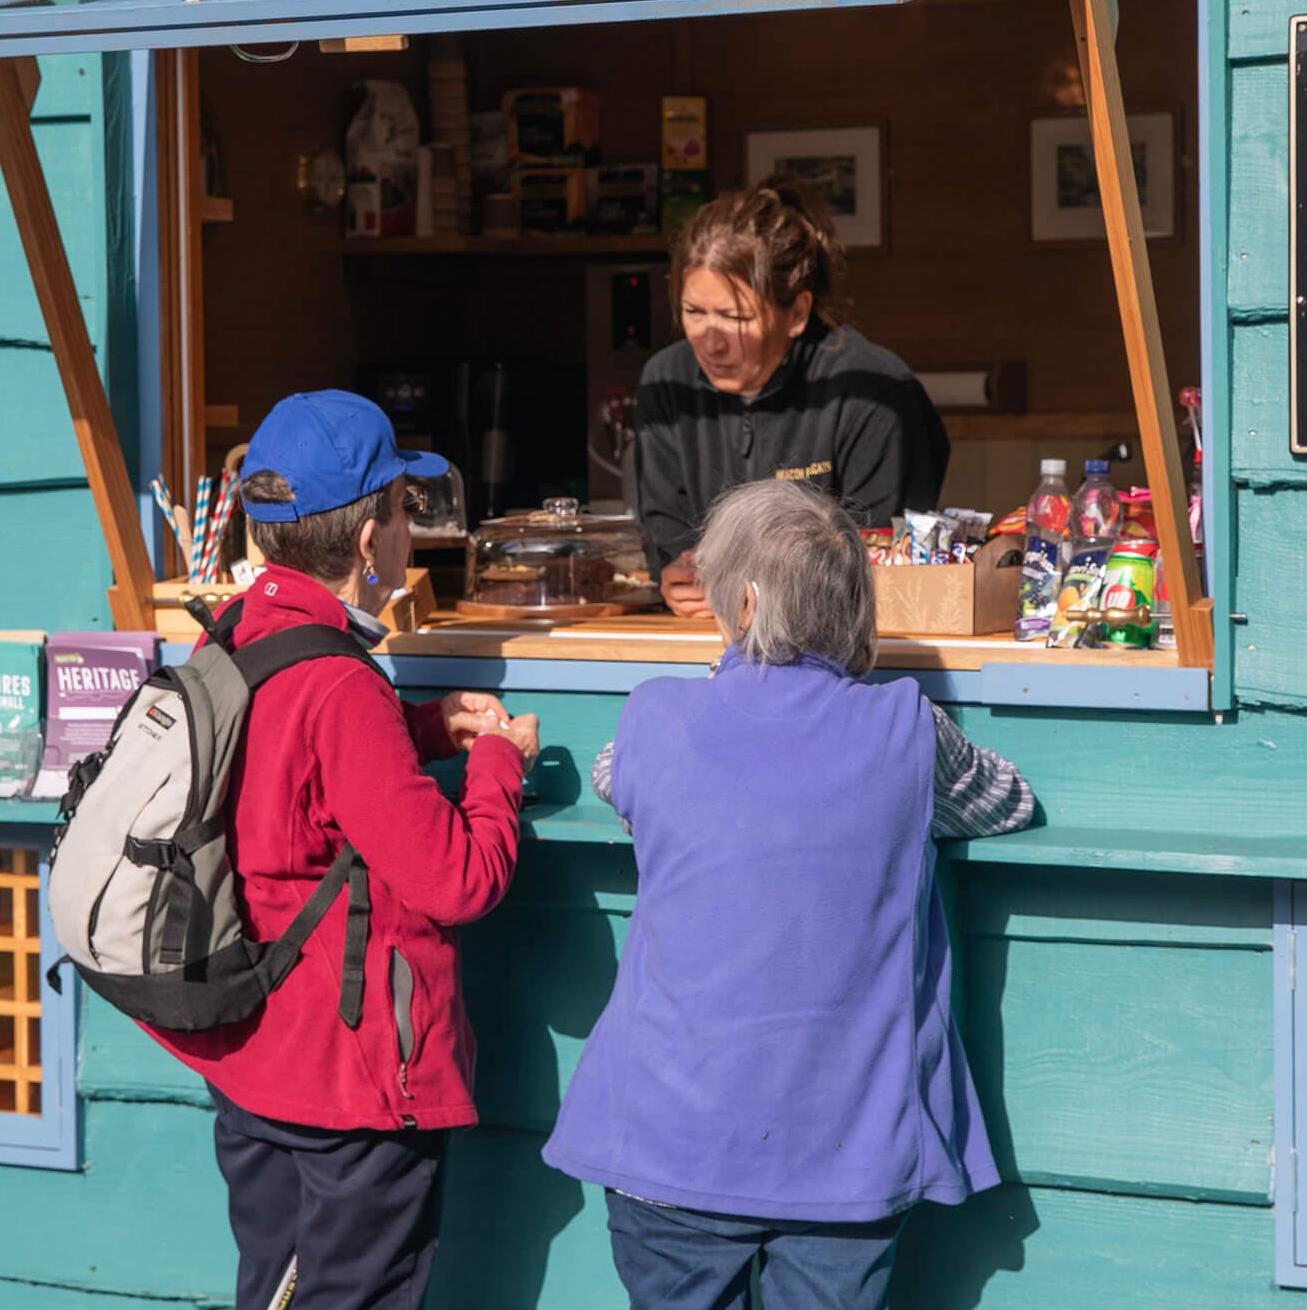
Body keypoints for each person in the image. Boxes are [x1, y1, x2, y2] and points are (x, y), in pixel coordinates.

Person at [543, 480, 1037, 1310]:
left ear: (741, 601)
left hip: (667, 1145)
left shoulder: (659, 719)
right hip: (847, 1155)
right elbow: (1008, 798)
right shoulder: (908, 729)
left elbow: (613, 777)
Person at [144, 390, 542, 1310]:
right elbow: (457, 878)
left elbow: (295, 775)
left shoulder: (236, 633)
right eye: (405, 509)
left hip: (251, 1063)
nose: (409, 528)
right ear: (372, 543)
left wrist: (425, 727)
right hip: (348, 1081)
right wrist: (494, 764)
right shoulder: (340, 683)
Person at [635, 187, 949, 618]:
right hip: (701, 640)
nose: (710, 341)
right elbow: (666, 533)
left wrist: (749, 593)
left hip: (837, 650)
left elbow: (881, 560)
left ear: (798, 312)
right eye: (694, 312)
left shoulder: (876, 392)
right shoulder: (665, 384)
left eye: (735, 318)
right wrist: (679, 577)